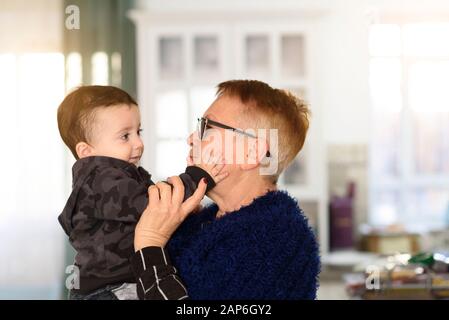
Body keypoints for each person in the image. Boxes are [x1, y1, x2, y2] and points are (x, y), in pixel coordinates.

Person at [130, 80, 320, 300]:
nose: (192, 139)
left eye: (207, 127)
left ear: (251, 152)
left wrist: (150, 246)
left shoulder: (279, 243)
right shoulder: (204, 222)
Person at [56, 85, 227, 300]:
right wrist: (196, 176)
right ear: (87, 151)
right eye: (125, 136)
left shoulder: (119, 178)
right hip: (110, 290)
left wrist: (184, 211)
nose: (138, 143)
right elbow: (153, 205)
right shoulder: (101, 181)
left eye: (139, 132)